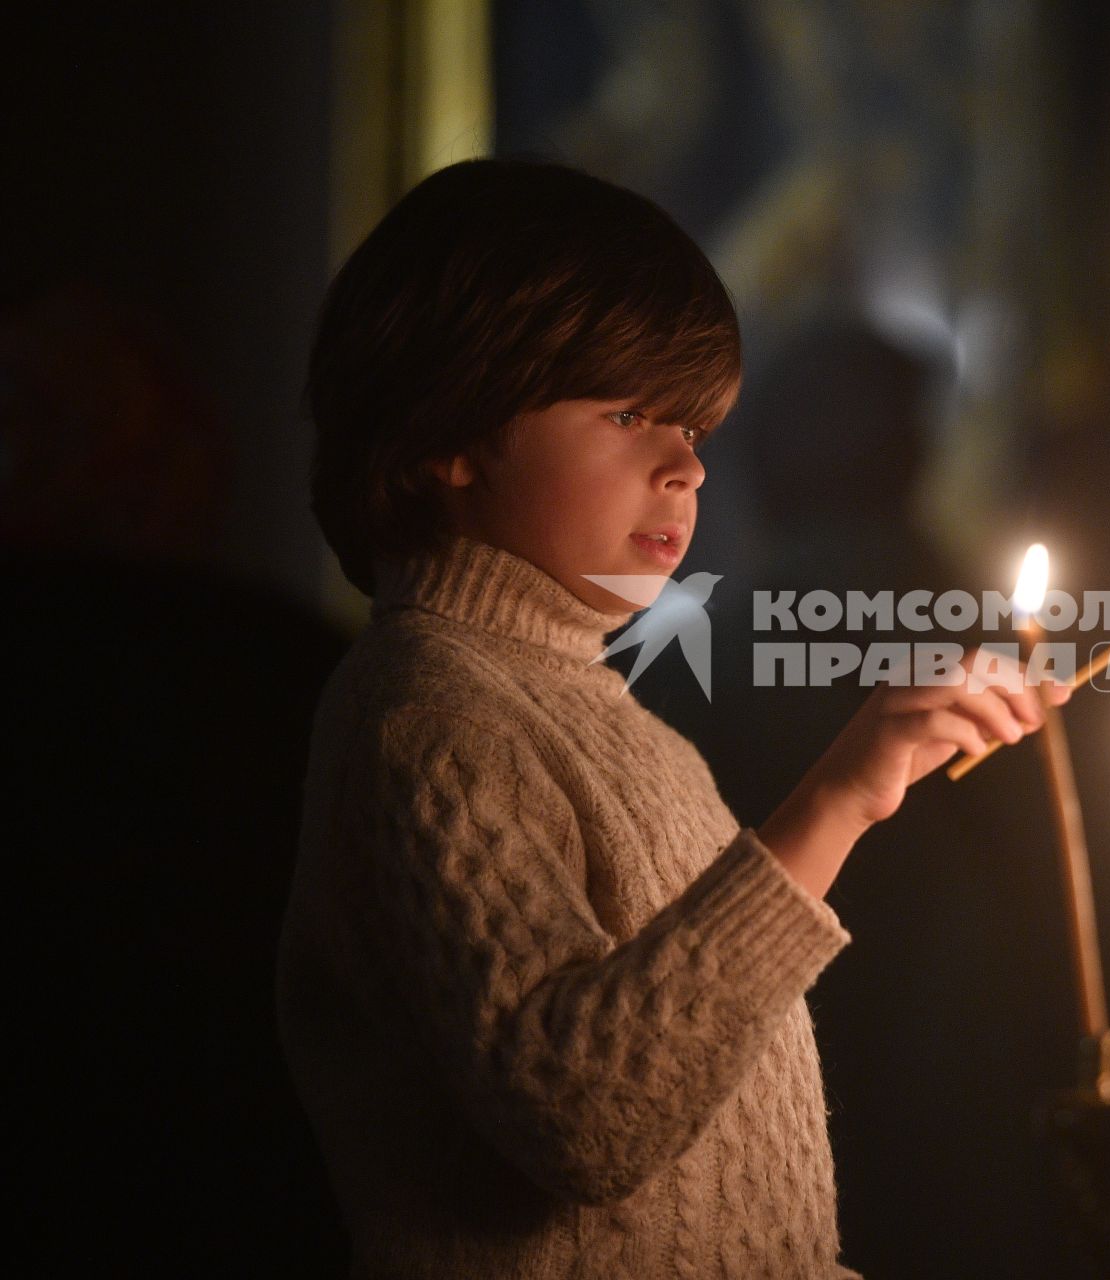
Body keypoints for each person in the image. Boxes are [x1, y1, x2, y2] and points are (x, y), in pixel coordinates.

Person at [275, 157, 1066, 1279]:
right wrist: (835, 802)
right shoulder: (428, 717)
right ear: (449, 430)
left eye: (694, 424)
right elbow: (584, 1111)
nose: (686, 461)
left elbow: (727, 1170)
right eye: (630, 410)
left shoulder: (623, 724)